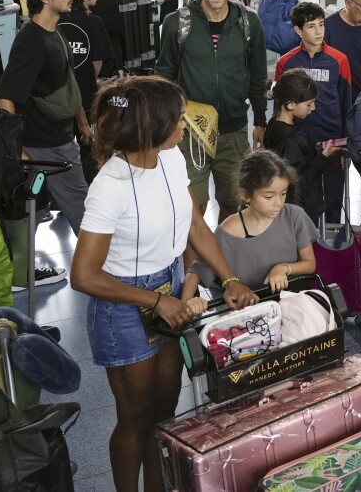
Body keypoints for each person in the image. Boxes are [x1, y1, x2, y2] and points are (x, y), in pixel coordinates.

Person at [71, 76, 257, 492]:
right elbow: (83, 276)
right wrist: (157, 303)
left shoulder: (172, 159)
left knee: (165, 410)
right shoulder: (110, 187)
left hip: (168, 287)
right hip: (120, 301)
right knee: (135, 418)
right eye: (178, 118)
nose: (184, 125)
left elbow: (194, 223)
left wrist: (227, 278)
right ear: (152, 125)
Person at [155, 0, 269, 222]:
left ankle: (223, 260)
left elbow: (258, 76)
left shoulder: (249, 24)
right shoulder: (176, 24)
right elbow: (164, 76)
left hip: (233, 130)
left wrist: (260, 121)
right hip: (189, 132)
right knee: (193, 209)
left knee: (234, 204)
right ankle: (193, 265)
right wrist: (164, 123)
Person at [0, 0, 92, 247]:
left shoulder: (55, 33)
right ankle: (102, 271)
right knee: (81, 208)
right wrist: (17, 149)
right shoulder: (31, 41)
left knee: (55, 208)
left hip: (61, 136)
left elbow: (68, 84)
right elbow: (5, 97)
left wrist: (83, 124)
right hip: (45, 143)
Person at [180, 150, 319, 302]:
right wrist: (186, 304)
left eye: (283, 193)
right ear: (246, 195)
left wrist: (283, 268)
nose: (278, 203)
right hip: (248, 314)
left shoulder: (294, 216)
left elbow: (310, 264)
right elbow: (196, 270)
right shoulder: (228, 231)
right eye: (269, 196)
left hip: (293, 304)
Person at [274, 2, 353, 231]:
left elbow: (347, 103)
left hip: (330, 141)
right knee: (300, 199)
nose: (319, 32)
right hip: (296, 145)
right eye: (311, 26)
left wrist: (345, 144)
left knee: (333, 201)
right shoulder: (285, 62)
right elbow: (279, 107)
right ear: (299, 30)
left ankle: (330, 256)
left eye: (321, 25)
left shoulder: (339, 60)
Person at [57, 0, 116, 173]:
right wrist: (87, 78)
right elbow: (97, 61)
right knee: (88, 142)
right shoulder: (94, 22)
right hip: (85, 91)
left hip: (57, 96)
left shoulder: (55, 21)